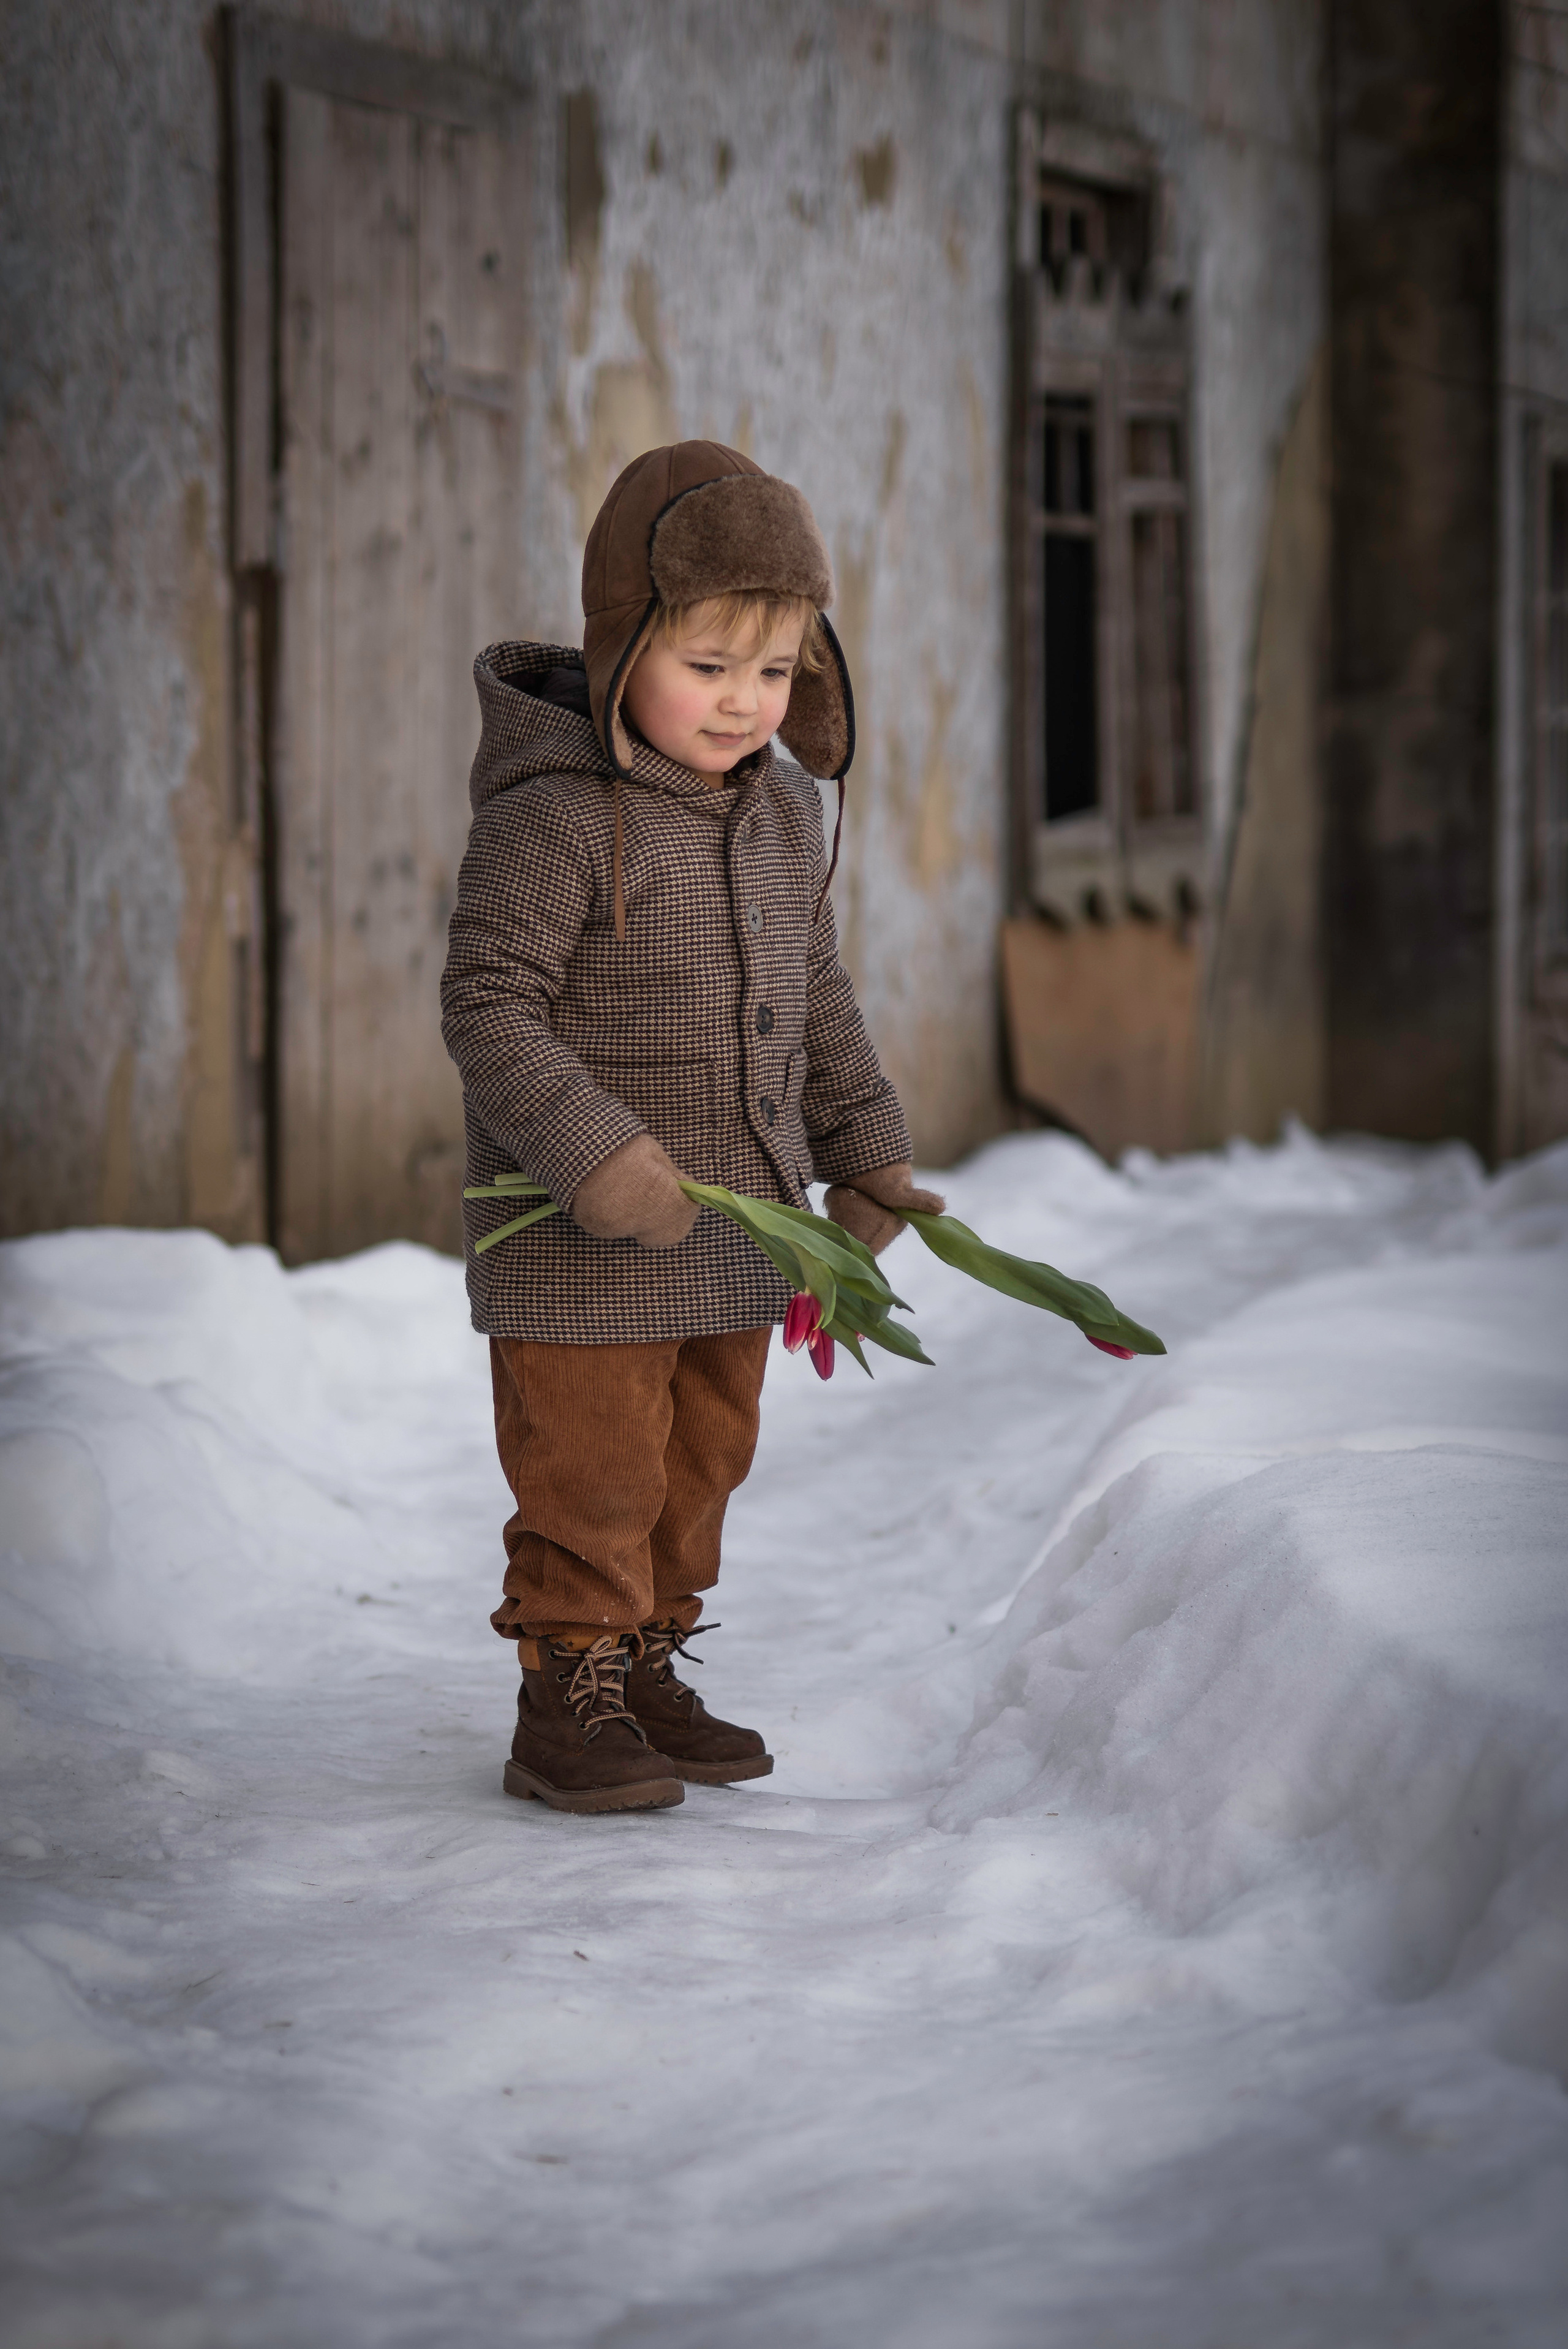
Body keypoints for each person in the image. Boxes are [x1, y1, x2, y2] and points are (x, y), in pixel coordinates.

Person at [440, 441, 942, 1815]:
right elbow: (488, 1005)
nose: (742, 705)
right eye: (706, 665)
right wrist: (592, 1151)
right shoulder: (552, 818)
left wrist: (867, 1145)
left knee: (695, 1465)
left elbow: (814, 995)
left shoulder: (778, 813)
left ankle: (647, 1657)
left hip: (736, 1232)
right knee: (591, 1468)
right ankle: (569, 1690)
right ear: (620, 649)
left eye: (773, 672)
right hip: (582, 1238)